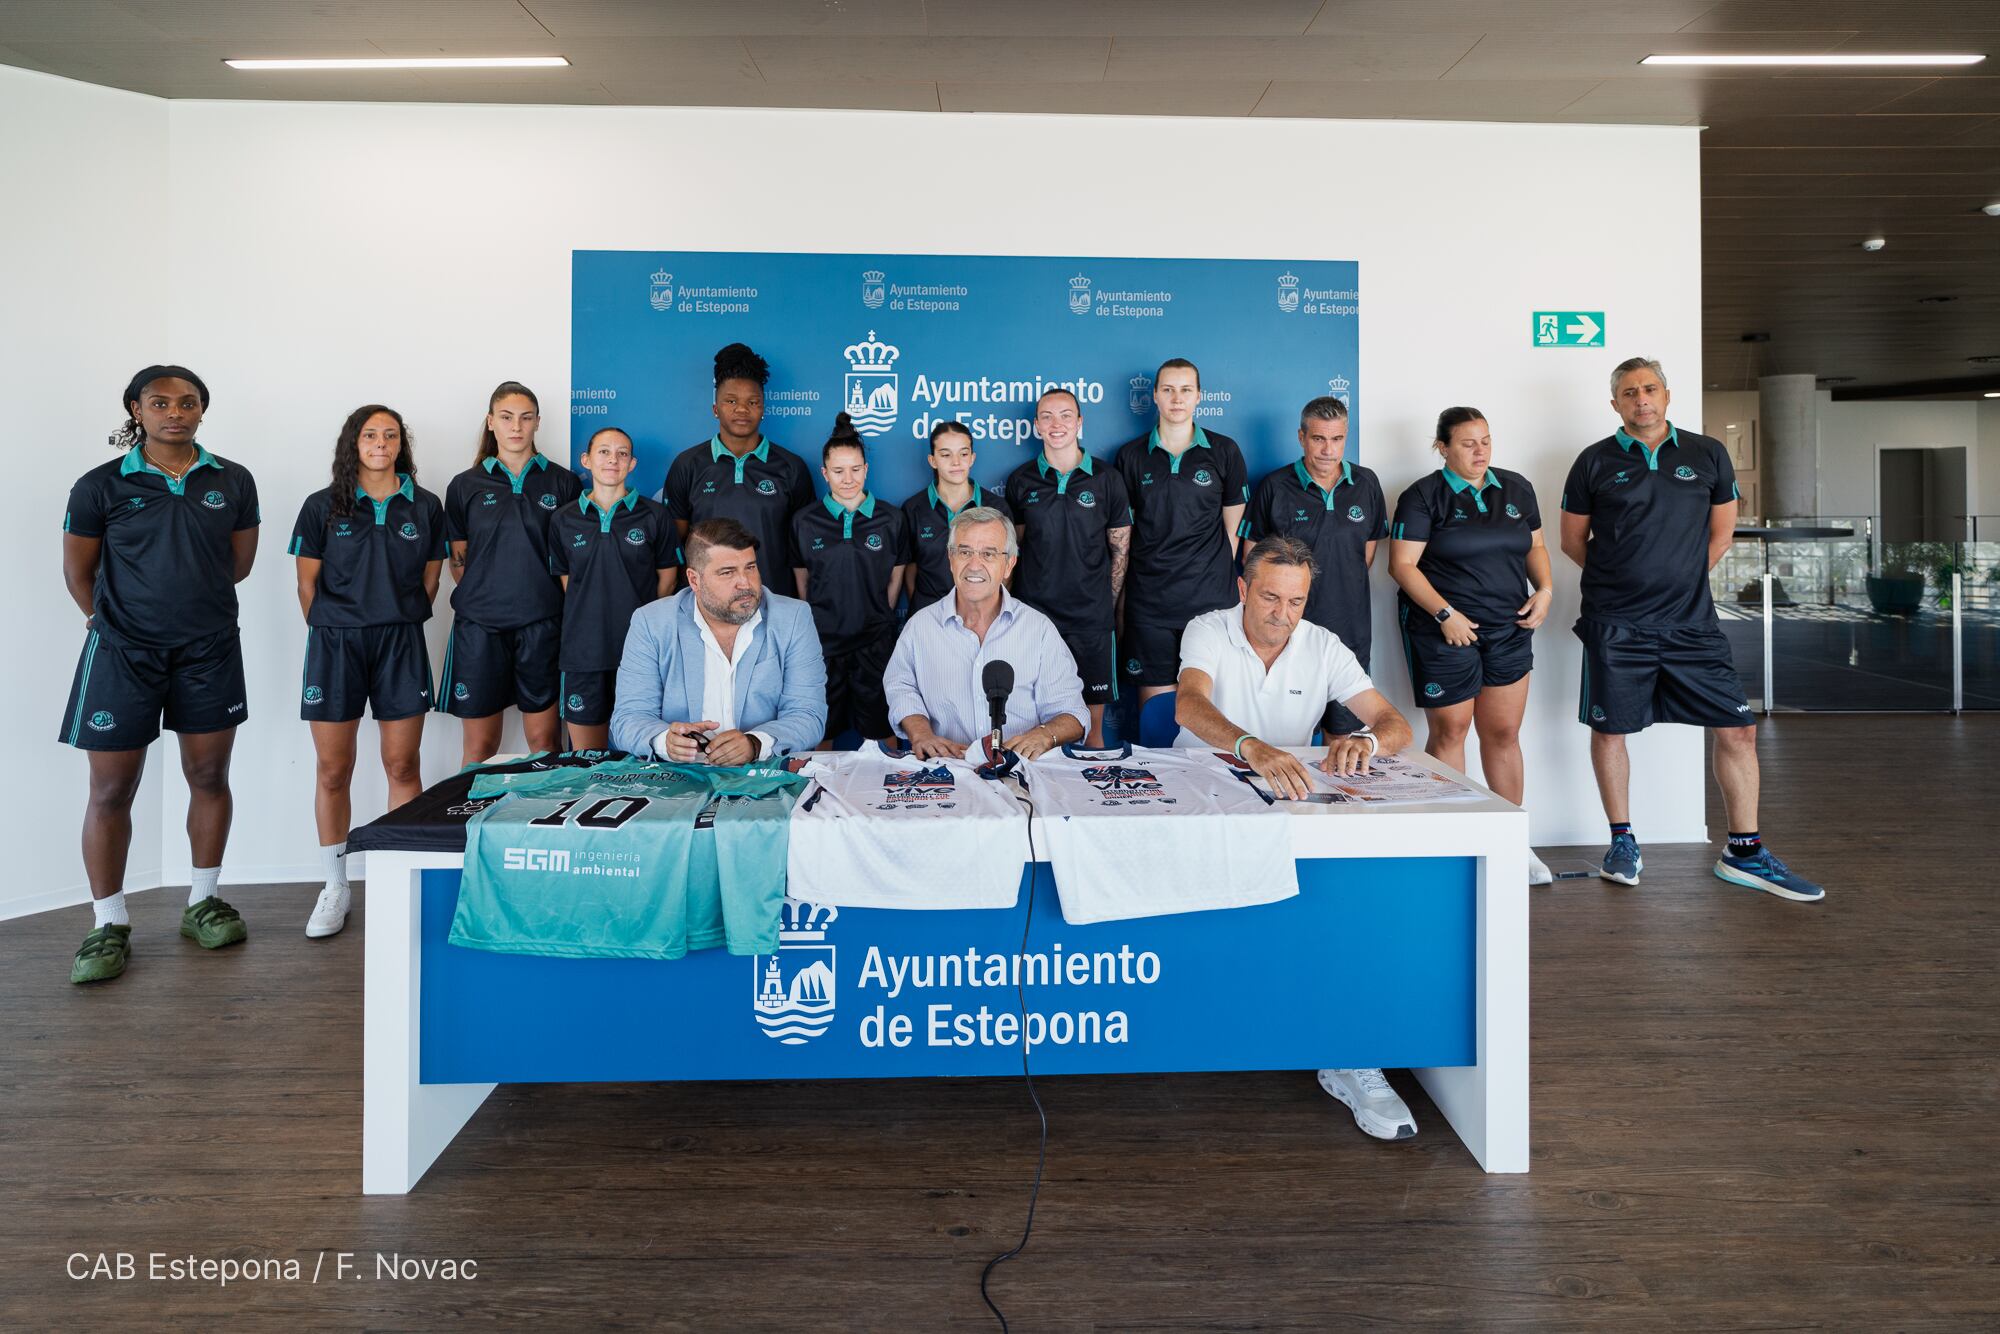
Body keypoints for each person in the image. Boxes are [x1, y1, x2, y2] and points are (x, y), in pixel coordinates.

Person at [1173, 535, 1422, 1141]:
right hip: (1200, 799)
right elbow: (1186, 705)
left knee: (1352, 904)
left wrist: (1365, 741)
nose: (1281, 614)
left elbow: (1395, 724)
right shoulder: (1208, 629)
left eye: (1295, 601)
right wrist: (1250, 746)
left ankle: (1351, 1055)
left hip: (1289, 806)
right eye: (1269, 597)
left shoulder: (1323, 645)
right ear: (1243, 590)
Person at [1560, 357, 1825, 901]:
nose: (1642, 399)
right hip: (1616, 624)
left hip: (1690, 624)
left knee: (1739, 728)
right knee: (1611, 730)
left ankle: (1743, 852)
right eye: (1630, 392)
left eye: (1650, 388)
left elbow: (1720, 535)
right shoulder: (1593, 461)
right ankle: (1622, 842)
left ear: (1667, 394)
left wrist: (1675, 580)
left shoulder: (1707, 453)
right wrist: (1624, 583)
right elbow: (1572, 541)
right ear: (1616, 404)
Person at [60, 365, 260, 984]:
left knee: (208, 774)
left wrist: (186, 607)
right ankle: (108, 923)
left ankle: (202, 901)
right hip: (123, 654)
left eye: (187, 402)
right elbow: (79, 573)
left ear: (202, 410)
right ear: (136, 409)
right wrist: (122, 626)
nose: (175, 411)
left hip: (209, 651)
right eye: (160, 402)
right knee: (111, 791)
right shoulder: (99, 486)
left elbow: (239, 564)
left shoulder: (233, 480)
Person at [291, 403, 446, 939]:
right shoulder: (321, 506)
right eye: (370, 434)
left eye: (391, 435)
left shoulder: (425, 506)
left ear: (402, 444)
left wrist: (391, 616)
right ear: (352, 443)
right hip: (335, 646)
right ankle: (335, 885)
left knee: (403, 765)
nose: (381, 442)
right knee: (334, 770)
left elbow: (431, 580)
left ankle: (395, 880)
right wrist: (341, 623)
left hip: (400, 643)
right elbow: (306, 587)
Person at [1389, 407, 1555, 884]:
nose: (1480, 450)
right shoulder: (1423, 495)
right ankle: (1451, 840)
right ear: (1442, 447)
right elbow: (1402, 565)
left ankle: (1513, 842)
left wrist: (1543, 590)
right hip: (1444, 629)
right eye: (1467, 443)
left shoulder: (1517, 487)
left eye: (1485, 441)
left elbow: (1536, 548)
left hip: (1510, 627)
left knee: (1502, 733)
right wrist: (1445, 614)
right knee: (1452, 732)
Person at [438, 381, 581, 766]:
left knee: (545, 741)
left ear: (537, 422)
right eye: (506, 417)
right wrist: (485, 596)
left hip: (543, 624)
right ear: (490, 422)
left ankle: (543, 825)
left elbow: (572, 557)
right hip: (479, 628)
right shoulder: (464, 485)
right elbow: (458, 558)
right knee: (480, 749)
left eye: (525, 417)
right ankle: (469, 823)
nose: (516, 426)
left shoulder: (563, 482)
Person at [611, 518, 827, 763]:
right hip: (680, 779)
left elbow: (809, 715)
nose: (745, 583)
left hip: (764, 775)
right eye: (727, 572)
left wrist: (756, 743)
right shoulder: (651, 623)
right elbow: (627, 719)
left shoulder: (793, 618)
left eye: (751, 567)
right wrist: (665, 742)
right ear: (694, 580)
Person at [884, 507, 1089, 761]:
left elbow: (1074, 713)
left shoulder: (1039, 630)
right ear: (951, 559)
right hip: (948, 774)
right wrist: (921, 733)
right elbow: (900, 687)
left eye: (988, 554)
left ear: (1009, 564)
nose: (974, 565)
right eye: (965, 552)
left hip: (1021, 775)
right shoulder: (920, 627)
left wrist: (1044, 735)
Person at [1239, 395, 1388, 736]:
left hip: (1349, 633)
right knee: (1281, 739)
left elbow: (1365, 555)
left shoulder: (1367, 484)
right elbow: (1252, 559)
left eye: (1337, 439)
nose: (1328, 449)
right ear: (1301, 437)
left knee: (1343, 742)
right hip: (1283, 634)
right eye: (1319, 438)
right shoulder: (1275, 486)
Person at [1114, 358, 1248, 702]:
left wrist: (1209, 575)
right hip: (1150, 604)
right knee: (1158, 716)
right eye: (1169, 390)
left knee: (1211, 712)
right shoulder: (1130, 456)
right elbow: (1122, 535)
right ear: (1155, 396)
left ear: (1199, 396)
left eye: (1186, 390)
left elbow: (1233, 530)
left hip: (1211, 603)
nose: (1177, 398)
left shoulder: (1224, 451)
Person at [1005, 388, 1132, 746]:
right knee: (1032, 727)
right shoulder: (1021, 480)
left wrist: (1102, 604)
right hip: (1034, 617)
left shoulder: (1107, 479)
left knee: (1092, 734)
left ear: (1079, 422)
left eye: (1065, 415)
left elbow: (1120, 550)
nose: (1056, 424)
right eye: (1046, 416)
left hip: (1090, 619)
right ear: (1036, 426)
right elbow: (1012, 553)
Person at [549, 427, 677, 752]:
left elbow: (667, 581)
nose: (613, 459)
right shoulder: (563, 519)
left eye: (622, 453)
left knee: (638, 760)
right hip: (583, 653)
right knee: (586, 760)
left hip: (639, 655)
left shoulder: (655, 515)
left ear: (631, 464)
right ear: (586, 460)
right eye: (604, 451)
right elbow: (569, 583)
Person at [661, 342, 816, 595]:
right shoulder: (688, 464)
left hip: (773, 601)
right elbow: (674, 546)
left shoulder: (791, 467)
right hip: (707, 605)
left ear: (763, 409)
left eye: (752, 402)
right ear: (715, 409)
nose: (742, 409)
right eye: (731, 401)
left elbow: (803, 547)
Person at [900, 419, 1012, 616]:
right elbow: (910, 570)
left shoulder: (997, 508)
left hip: (981, 619)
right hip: (929, 617)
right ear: (932, 460)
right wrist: (927, 616)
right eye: (945, 455)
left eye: (963, 453)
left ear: (972, 458)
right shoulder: (913, 509)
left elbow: (1006, 571)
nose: (956, 462)